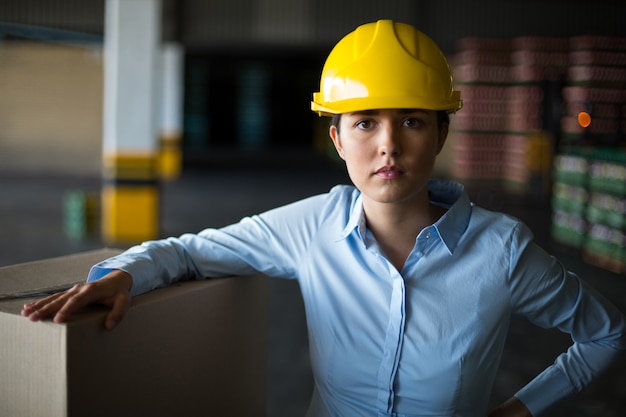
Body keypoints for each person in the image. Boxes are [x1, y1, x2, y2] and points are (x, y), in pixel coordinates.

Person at [22, 20, 625, 417]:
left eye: (412, 121)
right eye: (365, 123)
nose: (389, 146)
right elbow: (187, 251)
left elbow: (607, 332)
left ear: (442, 131)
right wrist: (121, 273)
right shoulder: (312, 227)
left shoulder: (502, 251)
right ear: (336, 138)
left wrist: (520, 411)